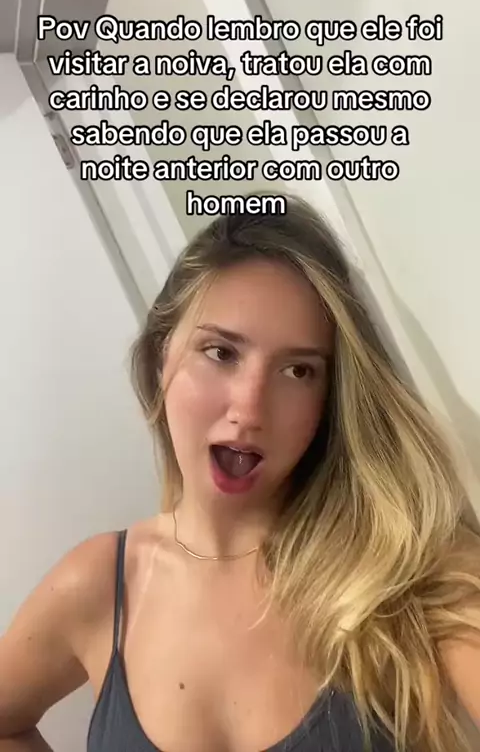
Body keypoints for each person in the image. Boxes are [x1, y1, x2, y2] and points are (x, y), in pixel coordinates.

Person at [1, 191, 480, 752]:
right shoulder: (100, 585)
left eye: (298, 371)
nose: (250, 409)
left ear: (329, 398)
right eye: (221, 353)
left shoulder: (406, 566)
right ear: (161, 356)